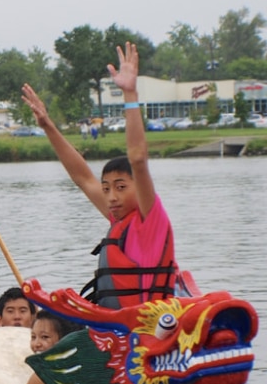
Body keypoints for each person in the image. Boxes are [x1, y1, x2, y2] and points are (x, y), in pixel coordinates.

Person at [21, 42, 177, 309]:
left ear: (138, 188)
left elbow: (137, 158)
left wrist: (130, 93)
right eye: (106, 189)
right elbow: (82, 177)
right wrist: (48, 126)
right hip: (116, 330)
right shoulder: (118, 217)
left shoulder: (150, 220)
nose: (112, 197)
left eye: (120, 187)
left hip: (148, 333)